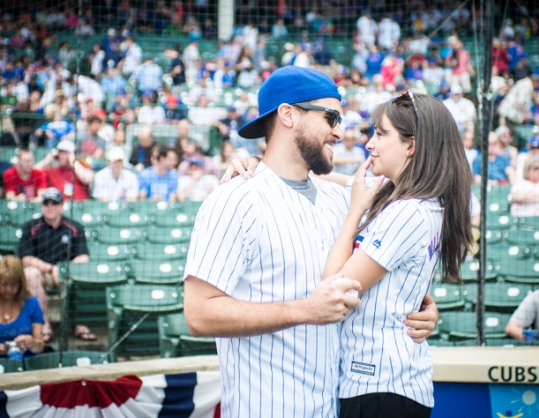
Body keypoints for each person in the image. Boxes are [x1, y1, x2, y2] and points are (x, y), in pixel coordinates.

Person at [183, 67, 438, 418]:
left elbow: (405, 228)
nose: (339, 131)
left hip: (334, 406)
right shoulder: (235, 198)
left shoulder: (342, 200)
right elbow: (198, 313)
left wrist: (421, 304)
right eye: (330, 117)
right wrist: (303, 310)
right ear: (288, 115)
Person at [320, 91, 473, 417]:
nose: (370, 144)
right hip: (390, 383)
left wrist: (354, 213)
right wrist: (262, 166)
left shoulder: (407, 211)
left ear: (412, 145)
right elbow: (334, 180)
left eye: (380, 133)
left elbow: (333, 288)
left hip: (379, 386)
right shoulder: (416, 200)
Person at [18, 188, 95, 342]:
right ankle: (44, 324)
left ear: (62, 206)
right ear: (42, 206)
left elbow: (83, 257)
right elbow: (26, 259)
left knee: (82, 274)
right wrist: (51, 268)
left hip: (67, 271)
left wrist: (63, 269)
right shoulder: (31, 227)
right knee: (30, 274)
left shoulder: (74, 227)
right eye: (47, 203)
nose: (50, 206)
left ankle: (78, 323)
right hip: (43, 272)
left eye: (55, 203)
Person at [0, 255, 44, 357]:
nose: (9, 289)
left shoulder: (31, 303)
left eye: (13, 285)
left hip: (26, 362)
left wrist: (32, 342)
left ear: (21, 284)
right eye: (4, 284)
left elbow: (40, 346)